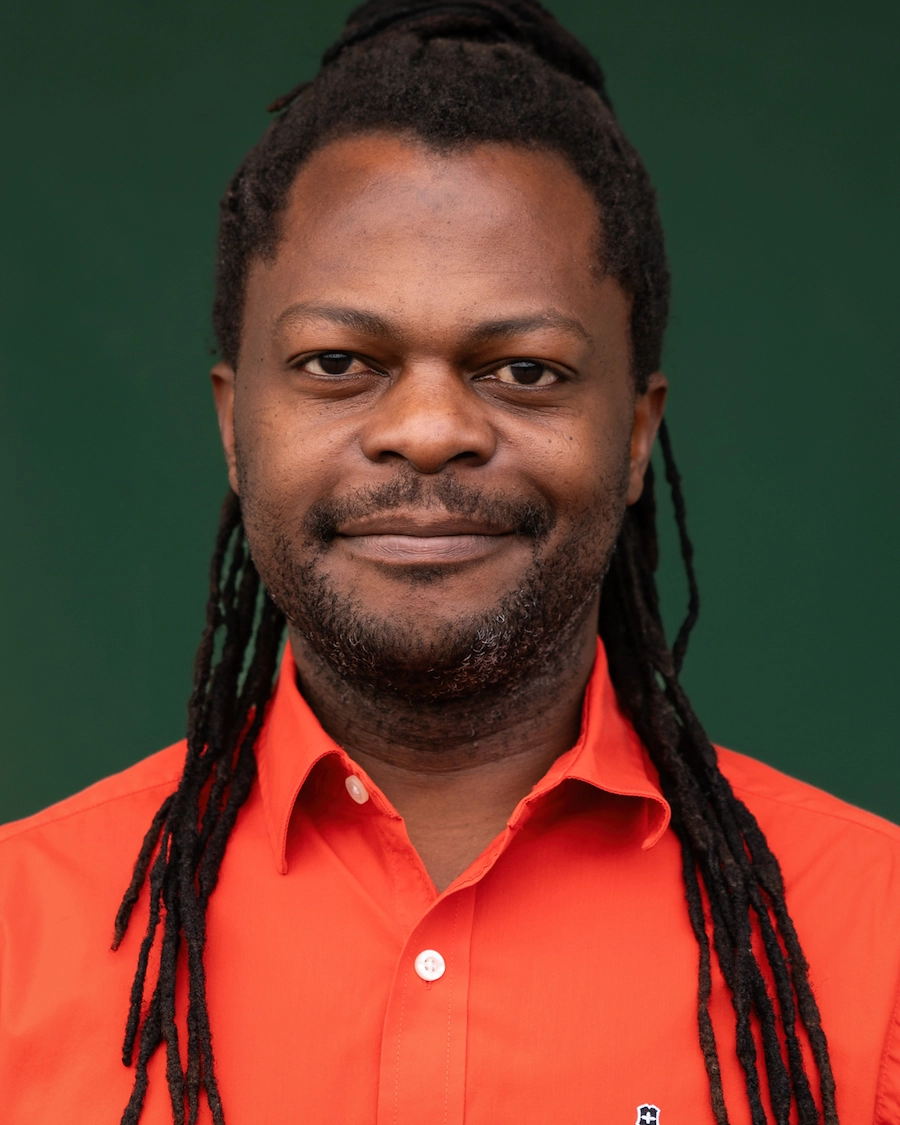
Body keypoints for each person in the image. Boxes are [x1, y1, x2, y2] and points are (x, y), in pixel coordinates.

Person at [1, 1, 898, 1123]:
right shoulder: (18, 935)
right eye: (339, 362)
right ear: (234, 425)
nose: (428, 431)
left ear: (634, 435)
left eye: (523, 371)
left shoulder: (875, 941)